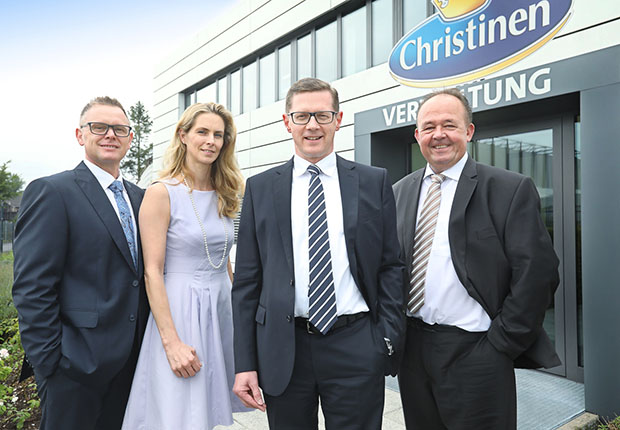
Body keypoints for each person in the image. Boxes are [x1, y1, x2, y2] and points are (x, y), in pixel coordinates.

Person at [231, 77, 406, 429]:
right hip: (284, 348)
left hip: (356, 343)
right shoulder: (260, 188)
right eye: (302, 116)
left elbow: (391, 265)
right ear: (287, 123)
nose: (312, 125)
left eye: (323, 115)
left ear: (338, 120)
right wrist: (245, 363)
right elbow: (247, 282)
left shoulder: (373, 181)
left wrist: (385, 338)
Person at [393, 88, 561, 430]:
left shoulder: (508, 188)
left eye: (449, 125)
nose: (438, 134)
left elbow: (537, 272)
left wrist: (501, 342)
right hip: (413, 351)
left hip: (476, 349)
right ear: (417, 135)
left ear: (469, 131)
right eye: (429, 126)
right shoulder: (399, 192)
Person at [12, 96, 149, 429]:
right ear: (80, 135)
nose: (110, 135)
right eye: (99, 127)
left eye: (119, 129)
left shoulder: (141, 197)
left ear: (130, 138)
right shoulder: (52, 191)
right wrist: (51, 364)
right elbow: (32, 286)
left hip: (133, 364)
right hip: (74, 369)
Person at [121, 102, 248, 429]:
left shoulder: (227, 192)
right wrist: (172, 342)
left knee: (206, 411)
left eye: (218, 135)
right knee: (180, 412)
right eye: (202, 132)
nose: (211, 141)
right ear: (183, 136)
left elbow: (223, 260)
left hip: (220, 308)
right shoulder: (162, 193)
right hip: (180, 311)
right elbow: (152, 272)